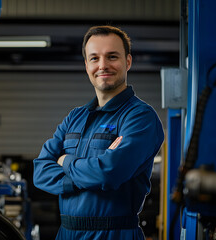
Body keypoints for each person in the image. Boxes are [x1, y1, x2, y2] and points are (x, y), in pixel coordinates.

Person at [33, 25, 164, 239]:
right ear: (86, 65)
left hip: (114, 234)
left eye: (112, 56)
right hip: (66, 233)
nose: (103, 65)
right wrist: (87, 178)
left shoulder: (140, 117)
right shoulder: (75, 117)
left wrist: (65, 161)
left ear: (128, 61)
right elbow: (40, 171)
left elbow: (109, 172)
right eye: (94, 58)